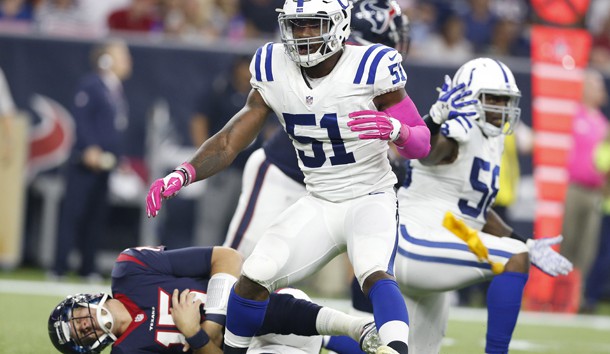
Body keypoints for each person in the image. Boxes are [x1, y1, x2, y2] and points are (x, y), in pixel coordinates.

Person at [145, 1, 430, 353]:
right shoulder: (273, 63)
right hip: (319, 200)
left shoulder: (371, 66)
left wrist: (398, 130)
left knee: (373, 272)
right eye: (297, 25)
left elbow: (422, 143)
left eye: (314, 24)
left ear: (339, 25)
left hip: (369, 196)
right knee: (253, 276)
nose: (304, 34)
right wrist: (185, 172)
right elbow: (231, 139)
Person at [349, 58, 573, 354]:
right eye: (493, 98)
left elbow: (475, 211)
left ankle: (314, 338)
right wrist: (437, 120)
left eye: (506, 100)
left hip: (442, 238)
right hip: (411, 241)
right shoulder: (459, 129)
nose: (501, 107)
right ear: (470, 98)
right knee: (513, 259)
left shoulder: (492, 140)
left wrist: (525, 242)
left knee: (402, 350)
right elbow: (426, 152)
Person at [223, 0, 411, 257]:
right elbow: (344, 124)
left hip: (329, 191)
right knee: (237, 261)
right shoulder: (330, 60)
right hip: (284, 173)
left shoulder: (371, 68)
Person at [48, 245, 380, 354]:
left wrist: (212, 322)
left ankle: (364, 333)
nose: (84, 325)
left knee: (272, 304)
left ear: (83, 300)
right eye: (79, 333)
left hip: (254, 312)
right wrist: (193, 334)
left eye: (76, 317)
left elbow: (227, 258)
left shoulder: (131, 270)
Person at [50, 39, 131, 280]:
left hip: (106, 164)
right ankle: (59, 267)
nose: (129, 61)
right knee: (73, 214)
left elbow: (113, 128)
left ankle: (88, 267)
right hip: (85, 163)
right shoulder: (91, 85)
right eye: (122, 55)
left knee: (96, 217)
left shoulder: (114, 90)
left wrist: (119, 158)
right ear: (106, 59)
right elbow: (82, 120)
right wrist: (90, 148)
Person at [560, 68, 609, 297]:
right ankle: (556, 291)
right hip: (572, 188)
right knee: (566, 240)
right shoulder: (571, 115)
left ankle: (574, 296)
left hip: (595, 193)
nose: (601, 91)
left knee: (587, 247)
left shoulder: (603, 123)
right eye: (595, 86)